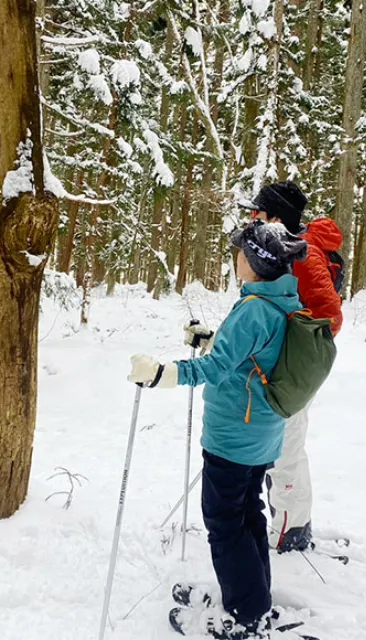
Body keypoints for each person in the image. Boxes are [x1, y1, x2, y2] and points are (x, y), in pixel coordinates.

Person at [129, 220, 308, 639]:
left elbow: (216, 368)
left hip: (234, 435)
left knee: (226, 522)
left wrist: (162, 373)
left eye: (241, 253)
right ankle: (252, 598)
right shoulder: (280, 301)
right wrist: (213, 338)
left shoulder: (254, 309)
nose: (236, 259)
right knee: (246, 514)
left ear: (256, 262)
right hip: (262, 432)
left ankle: (246, 615)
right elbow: (250, 356)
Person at [239, 181, 343, 553]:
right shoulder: (286, 248)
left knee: (285, 445)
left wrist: (290, 338)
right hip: (280, 362)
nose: (253, 218)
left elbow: (330, 317)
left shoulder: (306, 255)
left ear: (277, 217)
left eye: (259, 213)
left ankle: (292, 530)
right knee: (279, 442)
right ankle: (288, 521)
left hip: (294, 367)